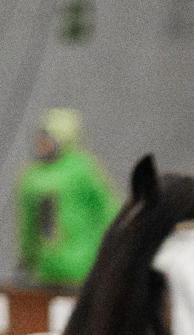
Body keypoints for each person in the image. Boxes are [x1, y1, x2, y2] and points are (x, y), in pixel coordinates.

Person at [16, 108, 120, 288]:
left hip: (83, 268)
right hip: (46, 271)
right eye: (40, 140)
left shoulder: (82, 169)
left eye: (47, 139)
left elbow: (108, 210)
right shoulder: (30, 176)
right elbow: (28, 224)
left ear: (62, 139)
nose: (41, 145)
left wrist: (116, 249)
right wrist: (27, 257)